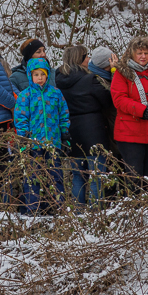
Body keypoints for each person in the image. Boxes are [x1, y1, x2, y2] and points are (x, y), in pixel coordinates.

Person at [55, 45, 114, 204]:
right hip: (93, 131)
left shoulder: (58, 81)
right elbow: (108, 101)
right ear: (79, 60)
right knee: (97, 177)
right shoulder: (89, 79)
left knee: (78, 178)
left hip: (72, 132)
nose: (89, 59)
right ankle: (96, 216)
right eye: (86, 56)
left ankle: (79, 213)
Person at [111, 36, 148, 181]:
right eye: (139, 53)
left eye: (146, 53)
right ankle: (134, 203)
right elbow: (119, 99)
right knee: (134, 176)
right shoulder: (122, 73)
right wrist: (141, 110)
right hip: (129, 132)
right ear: (132, 54)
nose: (143, 56)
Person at [13, 58, 69, 213]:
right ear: (30, 76)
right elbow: (20, 118)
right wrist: (24, 137)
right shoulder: (26, 95)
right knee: (33, 176)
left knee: (55, 175)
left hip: (52, 142)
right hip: (33, 144)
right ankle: (33, 207)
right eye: (36, 74)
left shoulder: (55, 93)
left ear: (47, 75)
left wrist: (65, 132)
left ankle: (57, 207)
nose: (39, 78)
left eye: (42, 74)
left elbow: (63, 114)